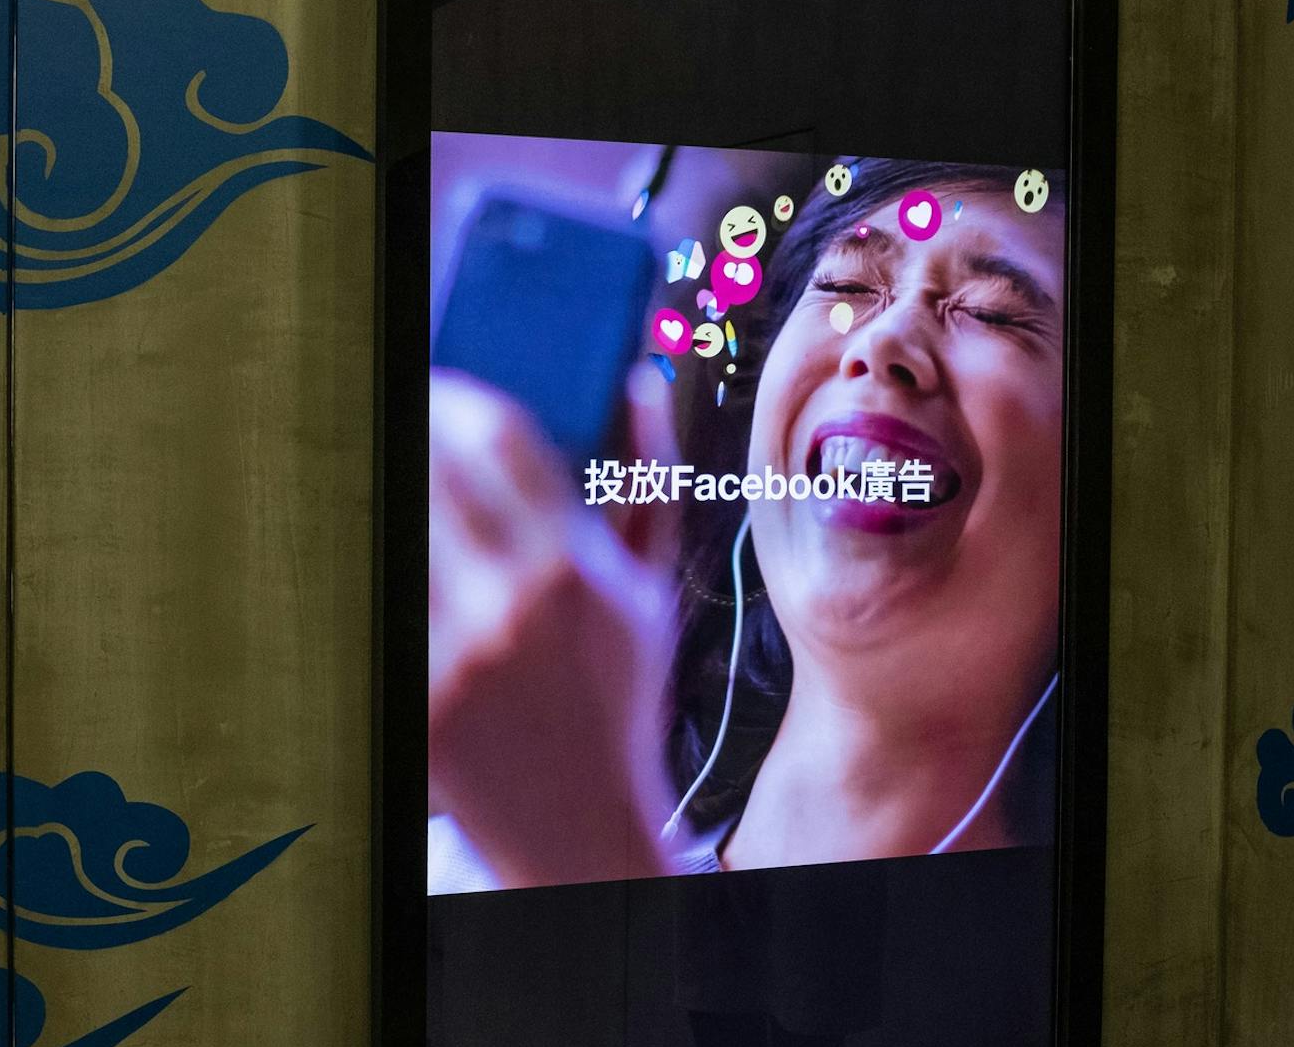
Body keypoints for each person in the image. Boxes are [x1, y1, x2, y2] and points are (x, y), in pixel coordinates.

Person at [427, 158, 1065, 891]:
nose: (883, 340)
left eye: (991, 312)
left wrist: (580, 847)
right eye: (845, 288)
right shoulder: (457, 872)